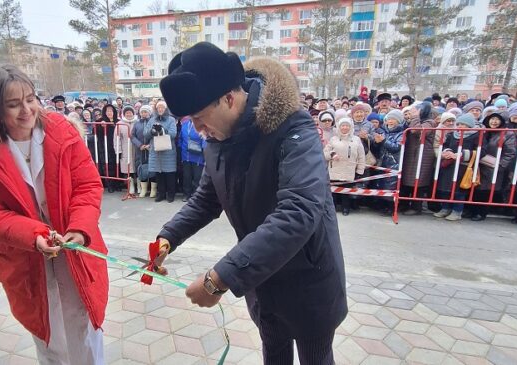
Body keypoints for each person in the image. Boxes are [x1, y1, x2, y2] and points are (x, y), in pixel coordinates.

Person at [152, 42, 347, 364]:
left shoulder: (293, 129)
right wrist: (168, 237)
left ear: (229, 98)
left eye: (199, 118)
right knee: (274, 353)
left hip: (308, 279)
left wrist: (221, 277)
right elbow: (206, 198)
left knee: (316, 358)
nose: (198, 131)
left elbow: (298, 210)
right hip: (261, 278)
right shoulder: (217, 137)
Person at [0, 65, 108, 364]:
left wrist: (79, 228)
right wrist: (34, 235)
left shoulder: (63, 132)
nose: (26, 110)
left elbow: (87, 186)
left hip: (74, 247)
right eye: (13, 105)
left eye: (30, 99)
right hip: (25, 255)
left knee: (84, 322)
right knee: (47, 329)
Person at [470, 112, 516, 221]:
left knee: (486, 191)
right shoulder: (483, 132)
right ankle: (472, 211)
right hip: (479, 165)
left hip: (493, 167)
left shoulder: (507, 134)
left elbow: (510, 153)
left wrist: (500, 166)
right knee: (475, 188)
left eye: (497, 119)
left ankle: (481, 213)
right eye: (491, 119)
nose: (494, 122)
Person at [433, 113, 479, 221]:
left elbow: (481, 150)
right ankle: (445, 208)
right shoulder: (452, 134)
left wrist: (461, 154)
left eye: (463, 124)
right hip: (449, 164)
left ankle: (457, 211)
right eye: (459, 124)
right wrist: (447, 152)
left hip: (463, 166)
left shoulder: (476, 135)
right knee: (445, 189)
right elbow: (445, 145)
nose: (460, 126)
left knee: (459, 191)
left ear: (469, 126)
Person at [400, 103, 437, 215]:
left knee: (419, 182)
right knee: (407, 180)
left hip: (422, 155)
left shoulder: (430, 122)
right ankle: (403, 205)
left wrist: (415, 117)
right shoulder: (413, 120)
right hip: (412, 154)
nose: (412, 112)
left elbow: (416, 131)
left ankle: (416, 207)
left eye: (415, 110)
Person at [324, 118, 365, 215]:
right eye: (343, 125)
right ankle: (332, 208)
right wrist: (332, 154)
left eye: (347, 125)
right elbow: (325, 153)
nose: (345, 127)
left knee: (346, 192)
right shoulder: (333, 139)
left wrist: (360, 171)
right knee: (333, 191)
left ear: (350, 127)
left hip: (349, 170)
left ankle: (345, 208)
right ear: (339, 127)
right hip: (334, 170)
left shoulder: (356, 139)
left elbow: (361, 156)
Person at [371, 109, 405, 214]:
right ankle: (382, 205)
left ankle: (391, 207)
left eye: (393, 119)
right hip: (382, 161)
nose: (390, 121)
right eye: (389, 119)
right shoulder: (383, 131)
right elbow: (377, 147)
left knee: (391, 185)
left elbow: (396, 147)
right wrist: (376, 142)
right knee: (381, 184)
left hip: (394, 163)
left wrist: (384, 141)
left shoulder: (402, 133)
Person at [146, 100, 177, 202]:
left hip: (168, 151)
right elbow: (145, 134)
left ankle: (171, 194)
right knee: (159, 174)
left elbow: (173, 134)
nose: (160, 109)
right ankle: (161, 194)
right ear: (156, 109)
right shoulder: (152, 120)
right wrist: (152, 131)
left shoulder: (171, 119)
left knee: (170, 174)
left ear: (166, 109)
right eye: (158, 107)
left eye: (162, 108)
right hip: (156, 151)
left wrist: (163, 130)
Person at [179, 116, 206, 202]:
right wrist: (181, 147)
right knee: (187, 176)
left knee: (197, 177)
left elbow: (204, 138)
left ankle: (196, 196)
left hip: (197, 156)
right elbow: (181, 138)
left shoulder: (201, 124)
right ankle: (186, 194)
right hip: (186, 155)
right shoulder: (185, 124)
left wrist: (203, 149)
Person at [131, 105, 156, 197]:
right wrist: (140, 145)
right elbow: (132, 136)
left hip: (151, 150)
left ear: (149, 113)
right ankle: (143, 189)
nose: (143, 114)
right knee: (141, 169)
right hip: (140, 150)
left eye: (145, 112)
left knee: (153, 168)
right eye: (142, 112)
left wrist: (150, 145)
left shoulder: (154, 122)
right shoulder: (137, 124)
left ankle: (153, 189)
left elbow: (156, 135)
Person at [96, 104, 119, 192]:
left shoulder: (118, 121)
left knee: (116, 165)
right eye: (107, 111)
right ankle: (110, 185)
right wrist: (101, 126)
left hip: (115, 146)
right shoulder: (100, 121)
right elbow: (95, 132)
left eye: (111, 111)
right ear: (105, 112)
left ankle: (117, 184)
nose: (109, 112)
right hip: (105, 147)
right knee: (107, 165)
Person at [116, 106, 137, 194]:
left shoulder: (137, 122)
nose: (129, 114)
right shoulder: (120, 124)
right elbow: (116, 139)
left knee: (137, 167)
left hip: (136, 147)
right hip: (125, 148)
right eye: (127, 113)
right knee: (128, 168)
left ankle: (138, 185)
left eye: (130, 112)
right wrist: (118, 150)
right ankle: (130, 185)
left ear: (133, 113)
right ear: (124, 114)